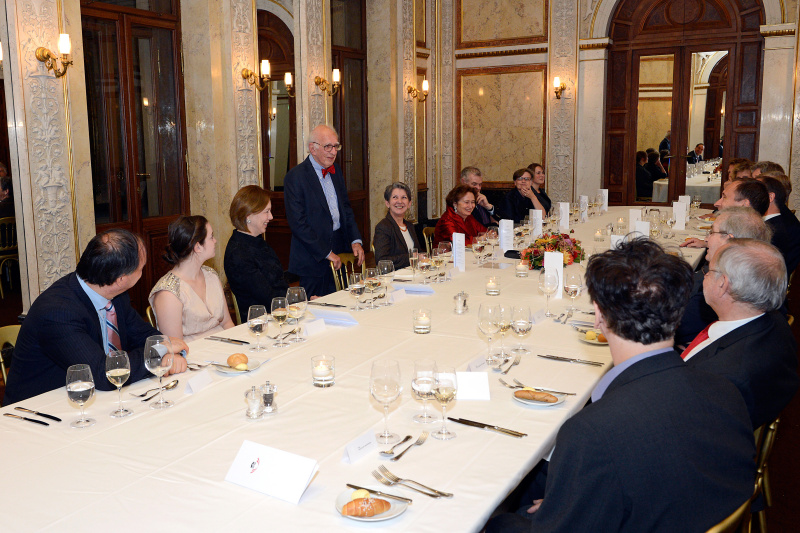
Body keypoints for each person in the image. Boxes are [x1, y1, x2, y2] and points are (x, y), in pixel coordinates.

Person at [485, 239, 755, 532]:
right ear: (678, 313)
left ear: (599, 316)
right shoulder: (724, 389)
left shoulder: (591, 431)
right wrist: (567, 504)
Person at [4, 229, 188, 405]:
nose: (143, 271)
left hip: (92, 398)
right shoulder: (57, 312)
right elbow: (103, 375)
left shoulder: (115, 295)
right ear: (121, 279)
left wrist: (169, 352)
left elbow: (143, 336)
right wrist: (159, 352)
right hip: (41, 410)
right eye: (141, 268)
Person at [684, 239, 799, 429]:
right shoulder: (774, 320)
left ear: (723, 284)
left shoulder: (720, 379)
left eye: (708, 271)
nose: (703, 277)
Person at [284, 124, 364, 297]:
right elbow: (298, 224)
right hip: (312, 257)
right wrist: (326, 253)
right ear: (313, 148)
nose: (333, 151)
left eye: (336, 146)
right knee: (315, 314)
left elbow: (346, 210)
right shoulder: (295, 177)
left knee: (341, 304)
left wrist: (355, 240)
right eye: (328, 146)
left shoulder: (336, 171)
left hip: (339, 249)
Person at [675, 207, 772, 348]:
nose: (706, 239)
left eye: (711, 232)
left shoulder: (720, 288)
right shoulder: (752, 276)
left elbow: (670, 325)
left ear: (729, 239)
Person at [149, 216, 235, 342]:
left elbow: (227, 323)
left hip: (225, 351)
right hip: (193, 357)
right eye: (211, 237)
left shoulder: (211, 275)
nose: (215, 241)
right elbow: (175, 348)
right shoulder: (169, 293)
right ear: (198, 247)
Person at [224, 185, 289, 316]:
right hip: (259, 324)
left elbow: (278, 281)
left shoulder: (256, 241)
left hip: (278, 313)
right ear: (249, 215)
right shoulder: (238, 253)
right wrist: (299, 300)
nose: (271, 217)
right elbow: (268, 297)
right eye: (266, 211)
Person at [373, 182, 421, 268]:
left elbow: (418, 253)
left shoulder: (410, 226)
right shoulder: (383, 227)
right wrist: (411, 257)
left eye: (404, 197)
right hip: (394, 278)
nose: (400, 201)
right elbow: (382, 261)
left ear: (409, 203)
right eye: (395, 197)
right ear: (387, 203)